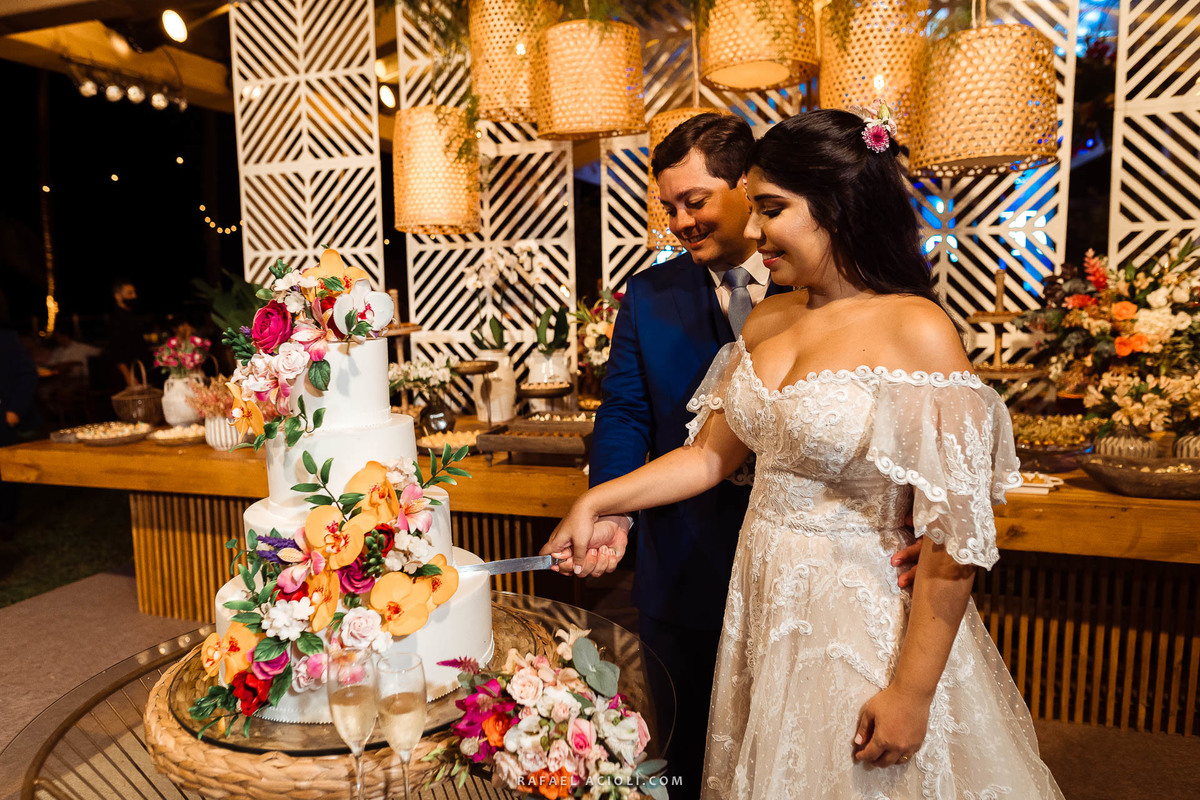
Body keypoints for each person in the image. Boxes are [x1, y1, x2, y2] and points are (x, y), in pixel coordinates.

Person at [545, 108, 1063, 798]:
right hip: (762, 602)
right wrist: (597, 500)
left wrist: (911, 694)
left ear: (837, 205)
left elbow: (953, 540)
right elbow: (707, 458)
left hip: (856, 612)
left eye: (771, 210)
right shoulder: (770, 318)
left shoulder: (917, 328)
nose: (755, 232)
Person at [576, 112, 919, 798]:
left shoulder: (846, 295)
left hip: (833, 582)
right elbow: (635, 417)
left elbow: (917, 435)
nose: (680, 221)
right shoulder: (655, 296)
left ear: (746, 186)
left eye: (695, 200)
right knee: (689, 759)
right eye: (669, 207)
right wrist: (608, 505)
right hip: (686, 561)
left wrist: (918, 520)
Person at [107, 278, 148, 388]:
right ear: (118, 296)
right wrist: (128, 376)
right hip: (129, 373)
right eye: (129, 293)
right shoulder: (116, 319)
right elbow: (116, 350)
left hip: (140, 369)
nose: (134, 296)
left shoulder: (131, 315)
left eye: (134, 293)